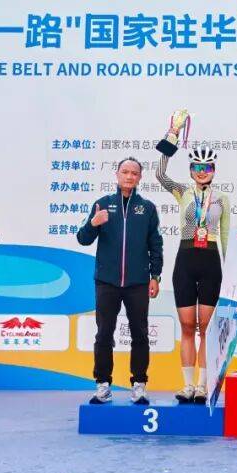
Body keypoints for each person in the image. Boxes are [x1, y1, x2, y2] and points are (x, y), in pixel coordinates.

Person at [78, 157, 163, 405]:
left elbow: (155, 244)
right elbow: (83, 239)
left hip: (138, 283)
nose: (129, 176)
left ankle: (139, 385)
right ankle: (103, 385)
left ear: (139, 178)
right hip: (107, 282)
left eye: (134, 173)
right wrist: (93, 224)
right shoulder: (102, 205)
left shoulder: (147, 208)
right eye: (125, 172)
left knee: (140, 334)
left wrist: (155, 276)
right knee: (104, 334)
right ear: (117, 174)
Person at [157, 134, 230, 404]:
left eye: (207, 167)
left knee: (206, 328)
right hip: (185, 260)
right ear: (191, 170)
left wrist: (230, 269)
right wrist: (172, 137)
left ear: (214, 170)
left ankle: (202, 385)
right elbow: (160, 174)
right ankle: (187, 385)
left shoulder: (221, 199)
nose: (202, 172)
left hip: (211, 262)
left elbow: (225, 235)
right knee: (187, 326)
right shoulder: (182, 192)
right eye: (197, 167)